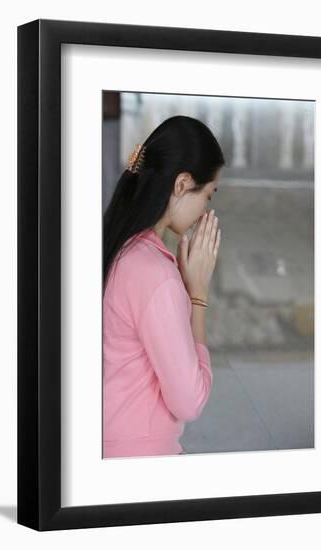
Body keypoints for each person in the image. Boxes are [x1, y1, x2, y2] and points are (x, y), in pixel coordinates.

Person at [102, 115, 225, 458]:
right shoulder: (154, 274)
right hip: (140, 462)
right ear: (183, 183)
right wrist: (197, 295)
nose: (205, 211)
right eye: (209, 196)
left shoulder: (117, 247)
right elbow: (190, 401)